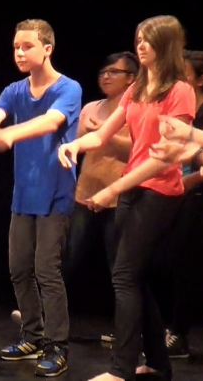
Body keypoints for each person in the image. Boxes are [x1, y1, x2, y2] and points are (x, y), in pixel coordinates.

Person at [58, 15, 195, 381]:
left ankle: (120, 370)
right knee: (136, 278)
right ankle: (157, 364)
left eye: (149, 40)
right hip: (133, 189)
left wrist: (112, 189)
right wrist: (74, 144)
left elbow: (163, 158)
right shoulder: (138, 89)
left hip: (159, 191)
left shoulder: (179, 90)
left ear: (165, 45)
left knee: (123, 276)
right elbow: (102, 135)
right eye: (138, 39)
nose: (142, 45)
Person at [0, 19, 81, 377]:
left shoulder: (68, 88)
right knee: (19, 269)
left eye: (27, 46)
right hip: (23, 195)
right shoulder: (15, 90)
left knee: (47, 269)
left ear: (47, 49)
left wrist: (10, 133)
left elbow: (50, 122)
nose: (20, 52)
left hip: (56, 193)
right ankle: (33, 334)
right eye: (16, 47)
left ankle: (57, 345)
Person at [63, 52, 137, 343]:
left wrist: (104, 134)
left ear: (131, 79)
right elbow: (78, 143)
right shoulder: (92, 107)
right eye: (103, 71)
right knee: (68, 258)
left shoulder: (134, 110)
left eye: (114, 72)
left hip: (119, 197)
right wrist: (88, 132)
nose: (106, 76)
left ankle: (125, 331)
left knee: (119, 267)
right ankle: (47, 319)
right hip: (84, 194)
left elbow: (138, 150)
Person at [157, 50, 203, 359]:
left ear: (201, 80)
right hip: (180, 198)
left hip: (202, 202)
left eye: (183, 75)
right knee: (173, 265)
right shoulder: (177, 110)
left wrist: (191, 153)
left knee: (191, 268)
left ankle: (178, 333)